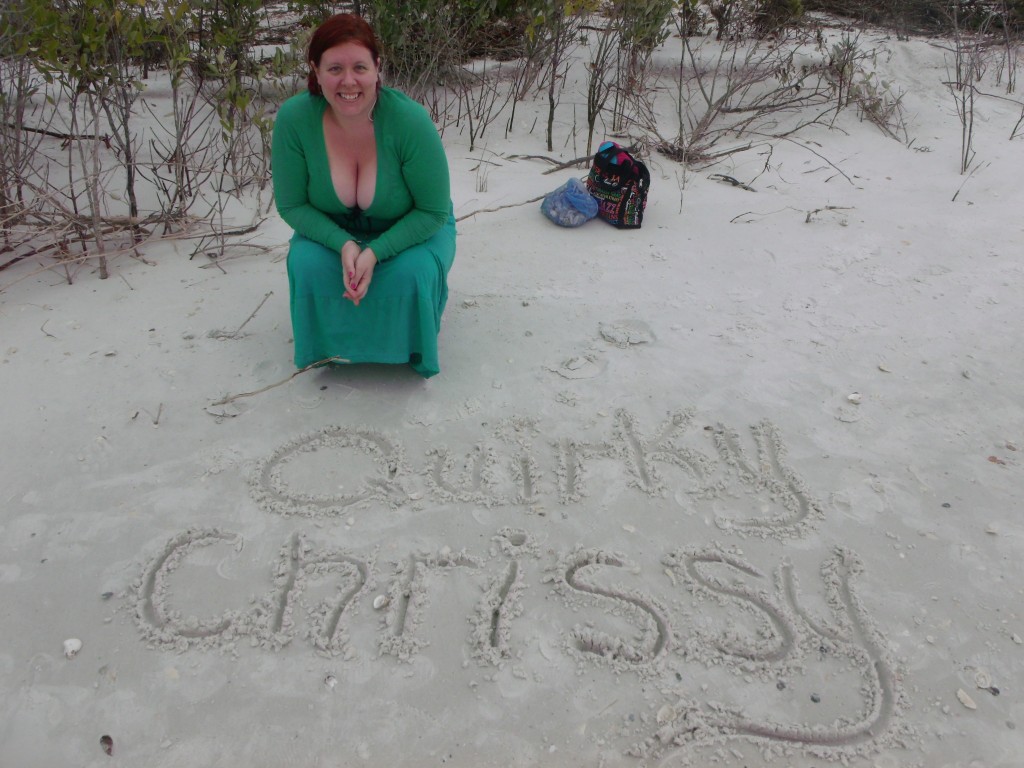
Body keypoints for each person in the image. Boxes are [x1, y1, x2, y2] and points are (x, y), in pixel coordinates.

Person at [271, 13, 456, 378]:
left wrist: (374, 252)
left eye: (359, 67)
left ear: (377, 68)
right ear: (315, 69)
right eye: (335, 68)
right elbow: (292, 205)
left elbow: (432, 212)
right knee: (307, 265)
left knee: (411, 273)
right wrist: (345, 245)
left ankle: (407, 348)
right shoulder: (294, 120)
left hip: (412, 229)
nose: (348, 81)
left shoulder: (410, 121)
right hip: (331, 228)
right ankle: (329, 348)